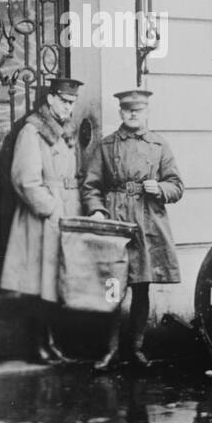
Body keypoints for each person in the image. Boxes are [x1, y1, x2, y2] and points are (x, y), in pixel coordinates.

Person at [81, 88, 184, 371]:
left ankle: (136, 349)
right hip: (117, 220)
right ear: (121, 113)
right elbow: (90, 186)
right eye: (128, 110)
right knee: (113, 286)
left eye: (138, 110)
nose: (133, 114)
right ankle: (110, 350)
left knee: (141, 287)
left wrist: (160, 188)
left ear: (146, 111)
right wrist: (97, 210)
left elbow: (177, 186)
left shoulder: (159, 146)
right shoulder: (107, 146)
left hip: (148, 221)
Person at [0, 78, 83, 363]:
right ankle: (37, 345)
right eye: (64, 101)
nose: (68, 107)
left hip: (64, 215)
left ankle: (50, 342)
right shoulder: (33, 131)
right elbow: (24, 179)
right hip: (41, 219)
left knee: (55, 282)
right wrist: (49, 208)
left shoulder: (67, 132)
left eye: (72, 103)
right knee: (38, 284)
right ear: (50, 99)